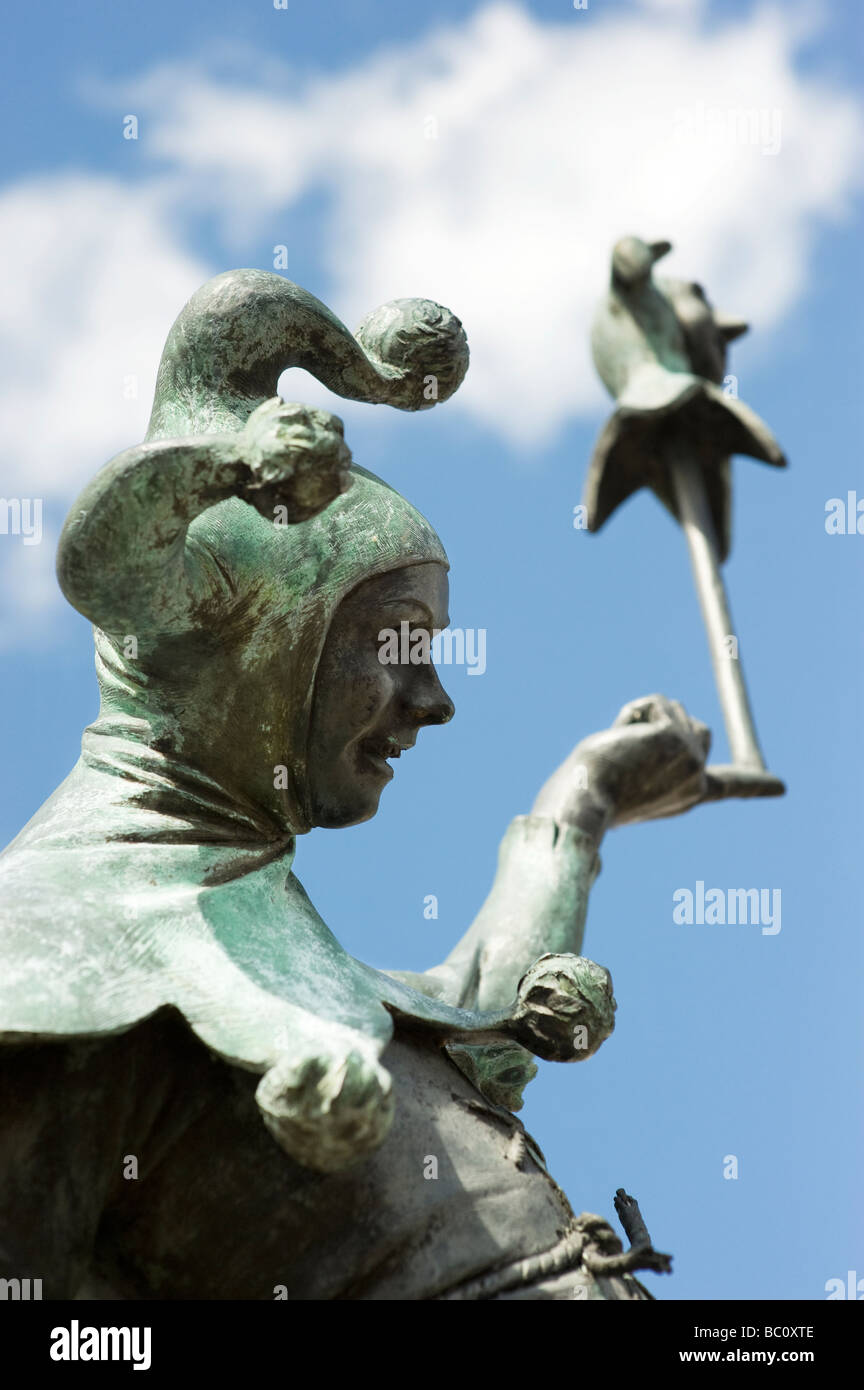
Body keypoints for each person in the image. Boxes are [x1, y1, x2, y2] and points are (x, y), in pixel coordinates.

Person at [0, 270, 719, 1300]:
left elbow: (476, 1030)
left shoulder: (263, 939)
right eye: (401, 645)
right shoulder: (44, 959)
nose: (435, 700)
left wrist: (582, 802)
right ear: (252, 636)